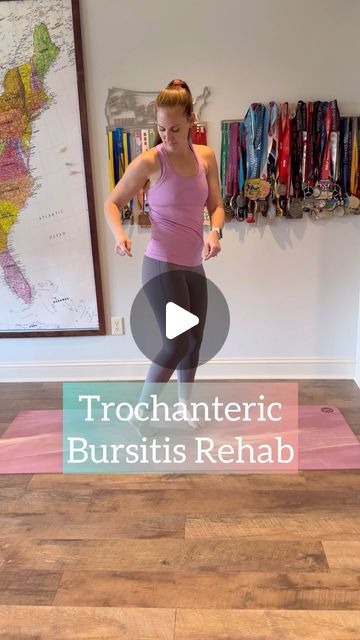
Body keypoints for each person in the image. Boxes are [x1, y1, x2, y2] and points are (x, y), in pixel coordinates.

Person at [104, 79, 225, 434]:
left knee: (195, 340)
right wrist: (120, 233)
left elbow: (216, 205)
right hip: (161, 265)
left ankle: (185, 406)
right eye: (160, 128)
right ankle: (142, 413)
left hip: (193, 265)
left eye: (174, 128)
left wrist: (215, 232)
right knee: (176, 342)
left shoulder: (205, 157)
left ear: (191, 119)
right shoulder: (149, 162)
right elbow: (112, 202)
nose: (167, 136)